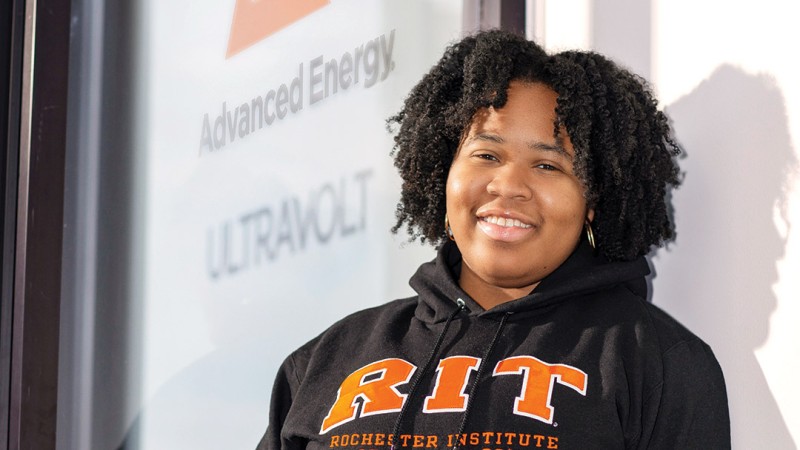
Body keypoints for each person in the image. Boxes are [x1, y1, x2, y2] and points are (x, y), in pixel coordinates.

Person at [257, 30, 730, 449]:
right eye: (485, 154)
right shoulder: (325, 359)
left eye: (548, 166)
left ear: (593, 199)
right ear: (443, 174)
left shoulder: (657, 362)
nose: (508, 185)